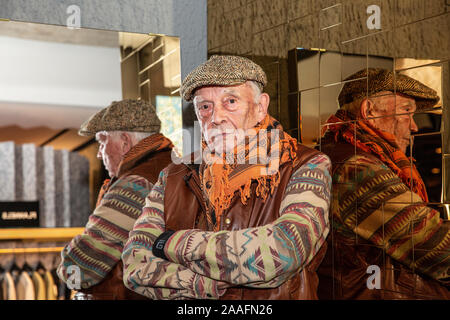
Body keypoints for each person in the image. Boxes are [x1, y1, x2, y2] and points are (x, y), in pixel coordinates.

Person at [121, 55, 332, 300]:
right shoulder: (172, 176)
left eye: (230, 101)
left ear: (260, 106)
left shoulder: (305, 165)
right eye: (205, 107)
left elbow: (284, 251)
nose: (216, 117)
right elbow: (134, 266)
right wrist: (200, 283)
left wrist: (170, 244)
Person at [317, 68, 450, 299]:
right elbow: (436, 246)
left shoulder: (338, 152)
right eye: (406, 112)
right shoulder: (358, 169)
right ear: (369, 111)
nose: (414, 127)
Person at [57, 99, 174, 300]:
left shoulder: (134, 185)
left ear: (125, 142)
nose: (99, 154)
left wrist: (67, 269)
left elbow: (78, 270)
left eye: (102, 143)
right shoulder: (173, 170)